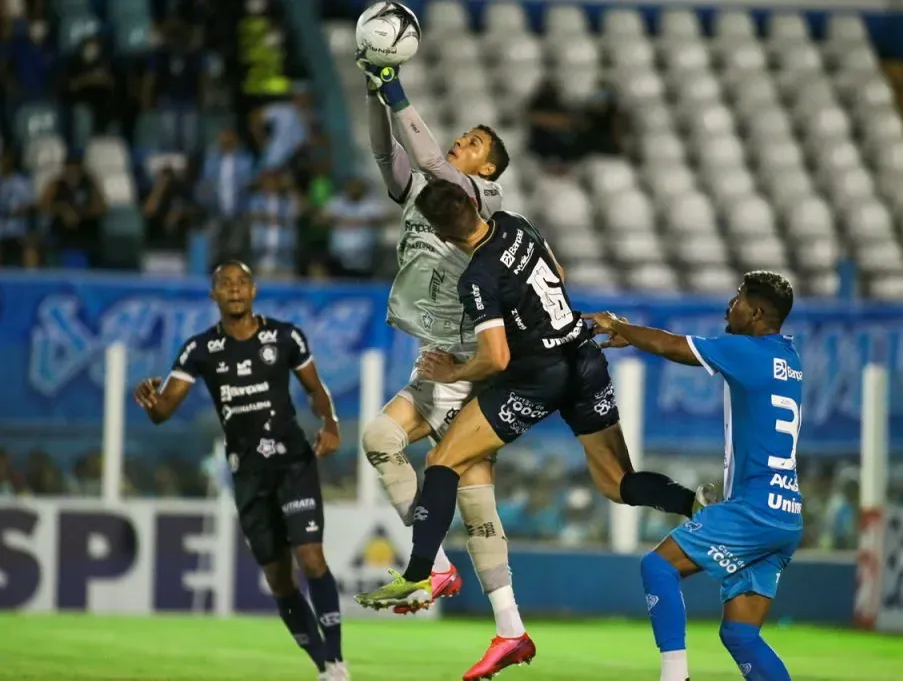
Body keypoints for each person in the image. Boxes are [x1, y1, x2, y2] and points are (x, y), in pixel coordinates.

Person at [354, 180, 712, 628]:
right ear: (472, 205)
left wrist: (453, 372)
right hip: (583, 356)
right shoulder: (514, 223)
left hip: (539, 377)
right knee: (617, 481)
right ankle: (695, 503)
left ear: (444, 237)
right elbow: (557, 275)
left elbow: (496, 357)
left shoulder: (478, 278)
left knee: (444, 461)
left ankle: (420, 573)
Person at [355, 48, 533, 681]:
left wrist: (396, 89)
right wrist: (374, 95)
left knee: (475, 500)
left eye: (475, 141)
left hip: (472, 364)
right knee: (385, 442)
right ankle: (488, 612)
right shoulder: (428, 192)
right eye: (463, 137)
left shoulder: (475, 193)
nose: (462, 142)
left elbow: (428, 157)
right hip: (437, 363)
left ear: (490, 168)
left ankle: (482, 607)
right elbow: (390, 158)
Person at [131, 260, 348, 681]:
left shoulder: (285, 336)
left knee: (312, 558)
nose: (234, 290)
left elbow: (315, 390)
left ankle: (337, 661)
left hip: (292, 463)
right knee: (280, 579)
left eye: (241, 282)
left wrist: (331, 425)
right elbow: (163, 412)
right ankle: (324, 664)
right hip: (248, 475)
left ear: (254, 291)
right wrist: (148, 398)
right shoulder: (199, 350)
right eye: (224, 284)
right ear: (213, 295)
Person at [586, 270, 803, 681]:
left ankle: (674, 676)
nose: (730, 305)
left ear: (756, 313)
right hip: (785, 513)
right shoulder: (789, 359)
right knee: (741, 634)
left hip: (753, 510)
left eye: (738, 299)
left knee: (658, 567)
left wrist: (621, 328)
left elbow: (674, 346)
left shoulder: (748, 352)